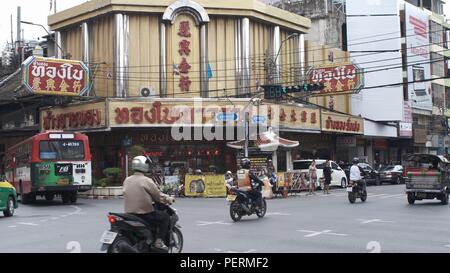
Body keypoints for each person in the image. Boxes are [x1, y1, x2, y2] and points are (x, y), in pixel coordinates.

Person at [123, 155, 175, 251]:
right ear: (144, 165)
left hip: (129, 214)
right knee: (165, 217)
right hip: (144, 214)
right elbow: (158, 196)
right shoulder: (146, 180)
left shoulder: (127, 180)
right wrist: (169, 199)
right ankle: (158, 242)